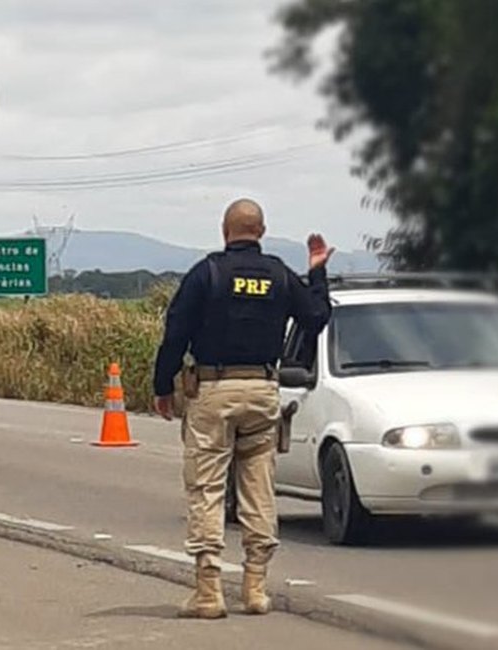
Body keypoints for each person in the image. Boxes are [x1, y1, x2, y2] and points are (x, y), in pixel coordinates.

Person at [152, 199, 333, 619]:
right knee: (258, 487)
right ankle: (255, 587)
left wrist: (164, 386)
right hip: (263, 391)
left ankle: (209, 591)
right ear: (262, 231)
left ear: (224, 231)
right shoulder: (278, 275)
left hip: (214, 391)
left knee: (207, 488)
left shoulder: (207, 273)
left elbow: (175, 332)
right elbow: (317, 318)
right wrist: (317, 271)